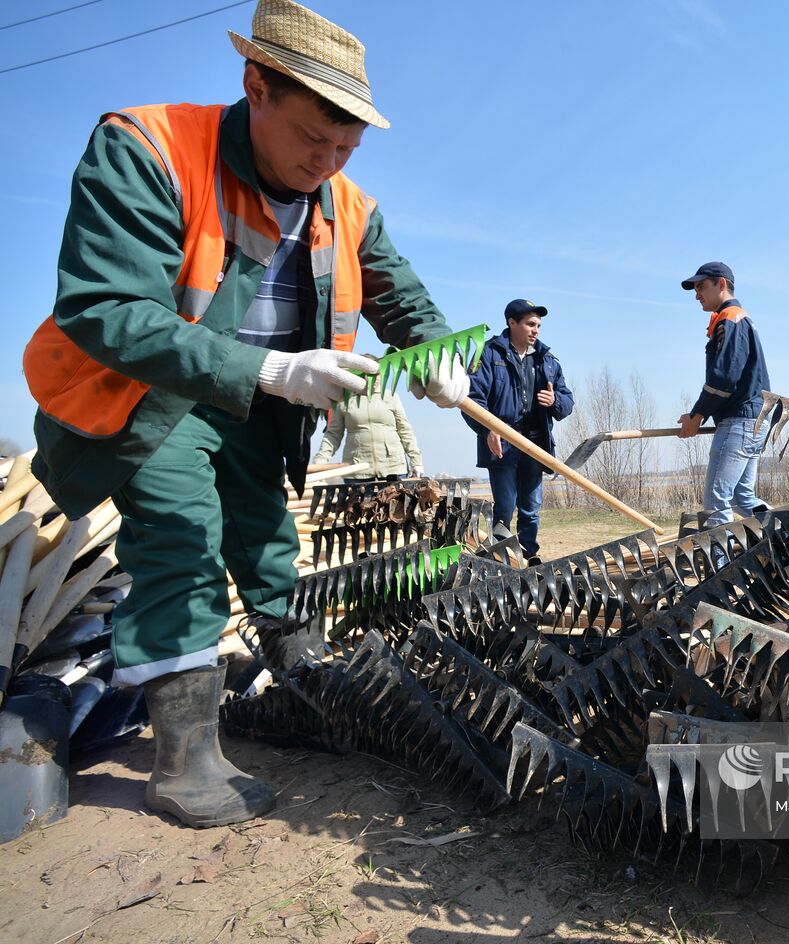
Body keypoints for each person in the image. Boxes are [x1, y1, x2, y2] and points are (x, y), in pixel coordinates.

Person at [21, 0, 471, 828]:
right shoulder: (147, 146)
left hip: (260, 406)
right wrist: (266, 365)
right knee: (183, 541)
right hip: (154, 395)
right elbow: (105, 307)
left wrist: (437, 354)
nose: (327, 161)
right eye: (313, 139)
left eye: (346, 146)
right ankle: (184, 759)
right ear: (254, 85)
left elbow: (398, 292)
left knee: (264, 533)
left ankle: (303, 672)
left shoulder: (348, 201)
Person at [464, 299, 574, 566]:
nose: (535, 330)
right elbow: (470, 399)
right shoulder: (487, 355)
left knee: (531, 507)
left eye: (538, 325)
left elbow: (567, 400)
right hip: (502, 442)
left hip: (535, 444)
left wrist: (554, 402)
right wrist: (488, 428)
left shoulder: (547, 361)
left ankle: (529, 554)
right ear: (511, 323)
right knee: (504, 505)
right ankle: (502, 557)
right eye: (529, 324)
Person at [676, 262, 772, 528]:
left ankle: (723, 568)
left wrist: (697, 416)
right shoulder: (740, 320)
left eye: (701, 287)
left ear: (721, 284)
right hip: (753, 421)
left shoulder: (730, 319)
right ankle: (787, 537)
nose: (696, 294)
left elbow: (724, 379)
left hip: (738, 423)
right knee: (744, 499)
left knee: (717, 503)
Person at [312, 392, 425, 481]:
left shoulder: (391, 397)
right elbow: (333, 434)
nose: (372, 378)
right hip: (357, 469)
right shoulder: (344, 400)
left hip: (393, 467)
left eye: (376, 374)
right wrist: (320, 462)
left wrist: (416, 461)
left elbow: (405, 430)